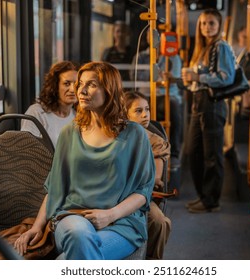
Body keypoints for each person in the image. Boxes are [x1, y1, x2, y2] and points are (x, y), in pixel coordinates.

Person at [14, 62, 155, 260]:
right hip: (72, 218)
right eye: (81, 84)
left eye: (92, 84)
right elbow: (55, 188)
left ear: (109, 90)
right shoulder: (69, 133)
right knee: (79, 236)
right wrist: (36, 227)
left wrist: (110, 215)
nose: (81, 90)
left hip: (121, 223)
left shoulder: (135, 134)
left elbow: (143, 191)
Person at [181, 8, 236, 213]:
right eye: (203, 23)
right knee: (194, 151)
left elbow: (226, 77)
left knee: (212, 154)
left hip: (212, 103)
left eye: (211, 23)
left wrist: (198, 78)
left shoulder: (220, 46)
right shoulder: (203, 48)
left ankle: (211, 200)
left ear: (219, 25)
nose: (207, 27)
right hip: (199, 101)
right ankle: (203, 195)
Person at [124, 90, 172, 260]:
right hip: (112, 194)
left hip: (140, 195)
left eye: (147, 109)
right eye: (138, 111)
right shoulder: (113, 136)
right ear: (125, 114)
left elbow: (156, 179)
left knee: (160, 222)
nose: (145, 115)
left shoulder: (156, 142)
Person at [131, 28, 183, 168]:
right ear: (147, 38)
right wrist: (155, 75)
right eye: (151, 35)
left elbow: (174, 77)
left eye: (159, 36)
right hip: (145, 95)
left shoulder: (173, 57)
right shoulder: (141, 56)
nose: (155, 39)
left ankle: (175, 153)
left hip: (166, 95)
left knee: (174, 107)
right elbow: (135, 75)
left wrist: (163, 78)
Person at [21, 61, 79, 147]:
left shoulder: (77, 116)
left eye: (77, 84)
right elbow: (26, 150)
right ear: (55, 86)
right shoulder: (36, 112)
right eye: (67, 84)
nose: (72, 89)